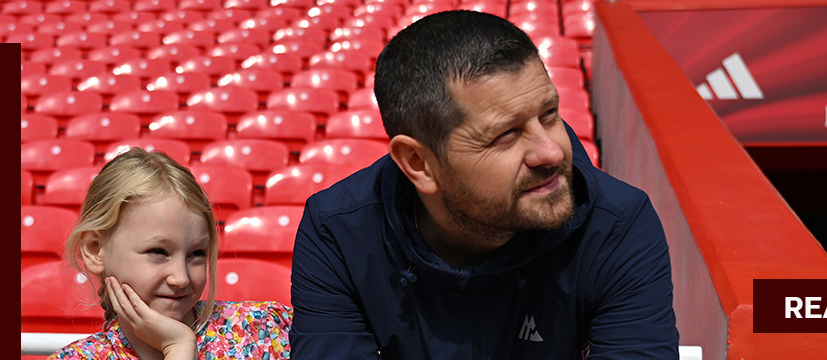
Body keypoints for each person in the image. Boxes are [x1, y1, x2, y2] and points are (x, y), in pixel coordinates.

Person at [289, 10, 678, 359]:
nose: (551, 153)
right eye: (505, 135)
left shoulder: (616, 225)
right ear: (418, 163)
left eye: (549, 114)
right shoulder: (336, 232)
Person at [51, 148, 294, 360]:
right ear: (95, 249)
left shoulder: (262, 329)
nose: (181, 278)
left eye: (197, 254)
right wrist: (177, 348)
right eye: (158, 252)